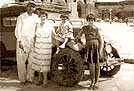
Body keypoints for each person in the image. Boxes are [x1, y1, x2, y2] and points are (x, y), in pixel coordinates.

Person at [75, 14, 103, 90]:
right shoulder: (84, 28)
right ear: (87, 21)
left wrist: (100, 50)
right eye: (89, 20)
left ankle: (96, 82)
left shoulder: (96, 29)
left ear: (94, 21)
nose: (91, 22)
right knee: (91, 66)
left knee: (97, 65)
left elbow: (101, 41)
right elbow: (78, 36)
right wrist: (76, 42)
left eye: (92, 20)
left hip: (96, 48)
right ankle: (92, 81)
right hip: (89, 48)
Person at [15, 1, 39, 85]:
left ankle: (29, 79)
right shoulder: (21, 17)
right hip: (23, 39)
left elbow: (39, 28)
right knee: (21, 60)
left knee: (32, 60)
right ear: (26, 7)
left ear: (35, 9)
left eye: (33, 7)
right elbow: (18, 29)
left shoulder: (36, 17)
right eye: (29, 6)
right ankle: (22, 79)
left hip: (32, 39)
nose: (31, 8)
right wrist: (20, 40)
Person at [31, 11, 56, 88]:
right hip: (38, 46)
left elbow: (54, 35)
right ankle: (39, 79)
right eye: (41, 16)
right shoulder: (37, 25)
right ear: (39, 17)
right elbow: (34, 36)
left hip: (46, 47)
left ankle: (45, 81)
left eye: (44, 16)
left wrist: (54, 44)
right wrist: (34, 45)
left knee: (45, 63)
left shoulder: (50, 25)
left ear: (46, 17)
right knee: (38, 63)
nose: (43, 18)